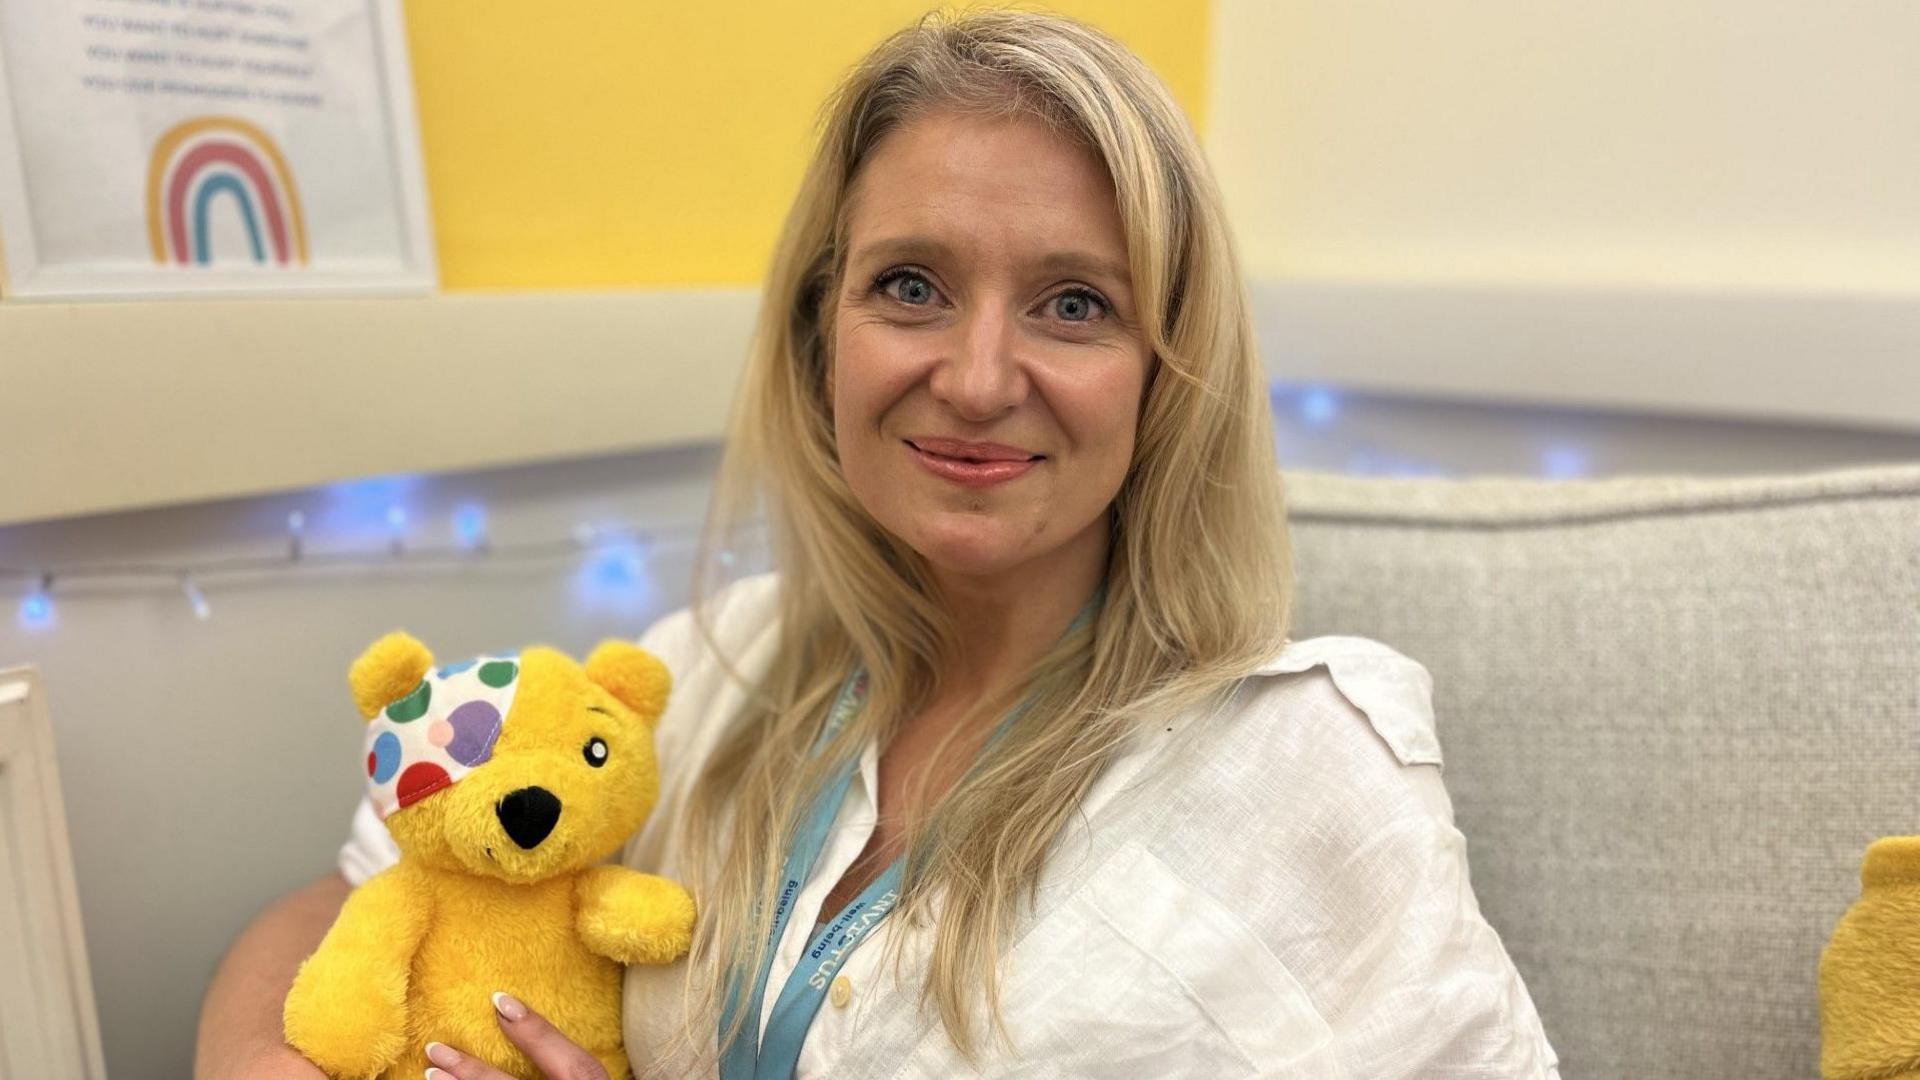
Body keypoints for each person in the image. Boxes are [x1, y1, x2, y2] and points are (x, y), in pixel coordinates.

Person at [196, 10, 1562, 1078]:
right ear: (819, 331)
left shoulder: (1303, 768)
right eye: (911, 285)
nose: (975, 378)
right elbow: (338, 907)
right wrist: (267, 1060)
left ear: (1171, 370)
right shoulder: (701, 669)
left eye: (1074, 304)